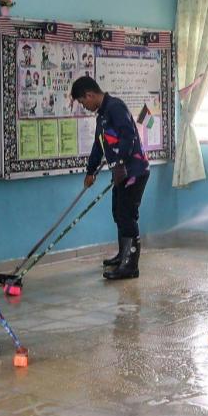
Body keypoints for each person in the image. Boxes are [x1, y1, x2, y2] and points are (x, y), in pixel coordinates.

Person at [72, 75, 150, 280]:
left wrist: (120, 163)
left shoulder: (115, 107)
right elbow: (99, 146)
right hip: (121, 172)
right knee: (118, 212)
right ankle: (122, 256)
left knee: (127, 215)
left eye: (82, 102)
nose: (84, 106)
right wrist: (90, 171)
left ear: (89, 95)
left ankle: (131, 266)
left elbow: (128, 136)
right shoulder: (103, 116)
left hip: (135, 171)